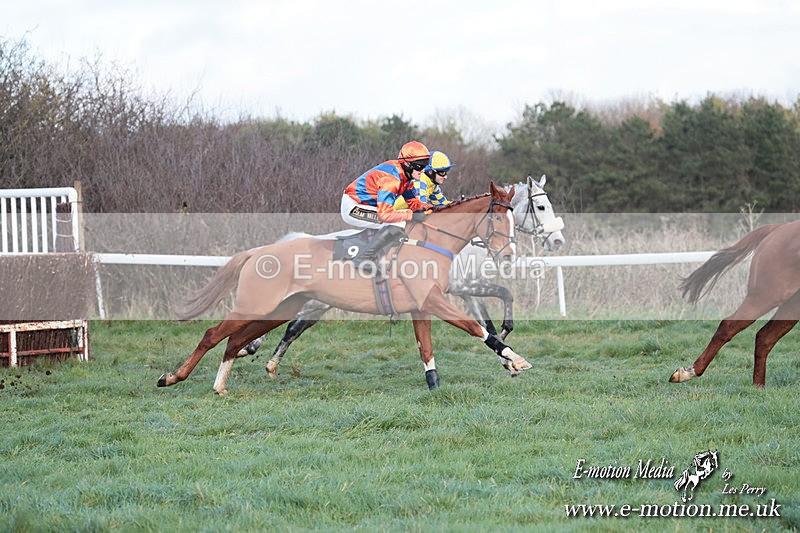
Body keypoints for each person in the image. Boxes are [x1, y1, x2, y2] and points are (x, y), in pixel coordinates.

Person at [341, 141, 432, 272]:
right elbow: (385, 214)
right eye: (420, 166)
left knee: (401, 220)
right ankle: (362, 259)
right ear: (407, 164)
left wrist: (432, 209)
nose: (423, 170)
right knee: (399, 223)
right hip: (353, 208)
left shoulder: (405, 177)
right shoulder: (391, 180)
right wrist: (411, 214)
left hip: (366, 205)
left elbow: (414, 203)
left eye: (426, 165)